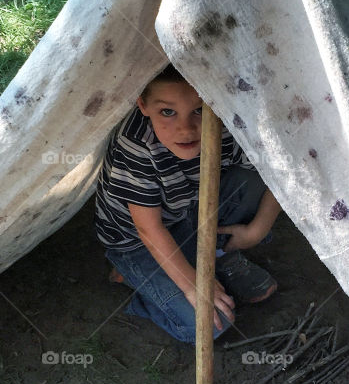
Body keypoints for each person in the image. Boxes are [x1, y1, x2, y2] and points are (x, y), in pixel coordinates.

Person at [95, 65, 281, 343]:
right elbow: (149, 230)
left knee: (250, 179)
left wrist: (257, 230)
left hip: (190, 211)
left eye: (199, 110)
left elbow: (279, 170)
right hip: (138, 242)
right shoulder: (136, 145)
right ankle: (144, 288)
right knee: (212, 325)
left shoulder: (225, 122)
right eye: (167, 112)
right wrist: (194, 287)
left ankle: (218, 255)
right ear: (143, 105)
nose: (186, 129)